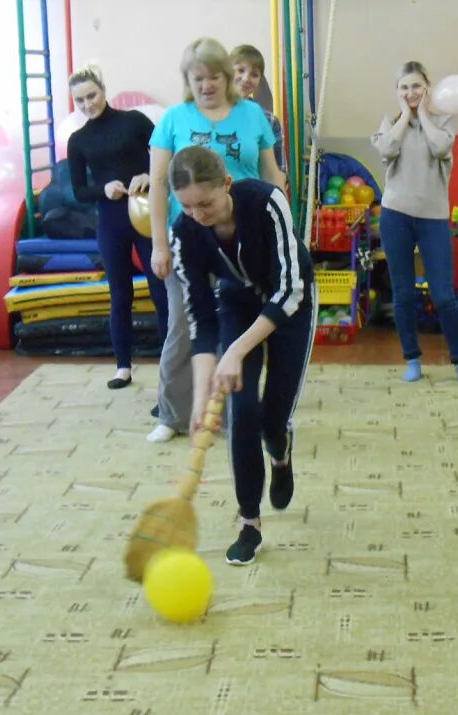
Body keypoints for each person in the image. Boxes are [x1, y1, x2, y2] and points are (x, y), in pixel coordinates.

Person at [168, 145, 315, 566]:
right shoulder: (185, 231)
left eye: (206, 203)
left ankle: (281, 453)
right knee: (242, 411)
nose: (198, 214)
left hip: (290, 303)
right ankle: (249, 523)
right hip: (237, 304)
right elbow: (200, 319)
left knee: (273, 417)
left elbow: (289, 291)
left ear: (227, 185)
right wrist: (199, 400)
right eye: (188, 206)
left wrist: (235, 350)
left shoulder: (267, 201)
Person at [146, 37, 285, 443]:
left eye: (214, 76)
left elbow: (270, 174)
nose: (207, 85)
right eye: (198, 78)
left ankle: (226, 414)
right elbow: (157, 182)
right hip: (188, 238)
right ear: (189, 80)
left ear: (227, 76)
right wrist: (159, 243)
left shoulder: (252, 116)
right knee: (183, 327)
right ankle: (171, 414)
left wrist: (284, 231)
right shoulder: (174, 118)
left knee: (235, 325)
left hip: (245, 238)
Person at [371, 61, 458, 385]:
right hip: (395, 215)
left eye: (417, 86)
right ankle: (412, 359)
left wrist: (423, 116)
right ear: (397, 93)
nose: (411, 92)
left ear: (428, 88)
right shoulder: (390, 123)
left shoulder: (443, 123)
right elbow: (387, 149)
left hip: (433, 217)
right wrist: (405, 116)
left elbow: (439, 146)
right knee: (403, 294)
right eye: (404, 88)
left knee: (443, 295)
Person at [66, 64, 168, 389]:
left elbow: (166, 155)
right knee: (120, 293)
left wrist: (149, 176)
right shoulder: (78, 140)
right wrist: (103, 189)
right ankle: (123, 365)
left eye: (91, 96)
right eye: (79, 101)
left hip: (145, 215)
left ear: (103, 90)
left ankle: (170, 363)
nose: (87, 105)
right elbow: (80, 191)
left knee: (160, 289)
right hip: (110, 222)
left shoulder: (134, 121)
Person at [230, 44, 285, 171]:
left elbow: (278, 172)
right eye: (240, 70)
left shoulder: (269, 121)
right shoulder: (209, 114)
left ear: (260, 81)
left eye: (254, 75)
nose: (246, 79)